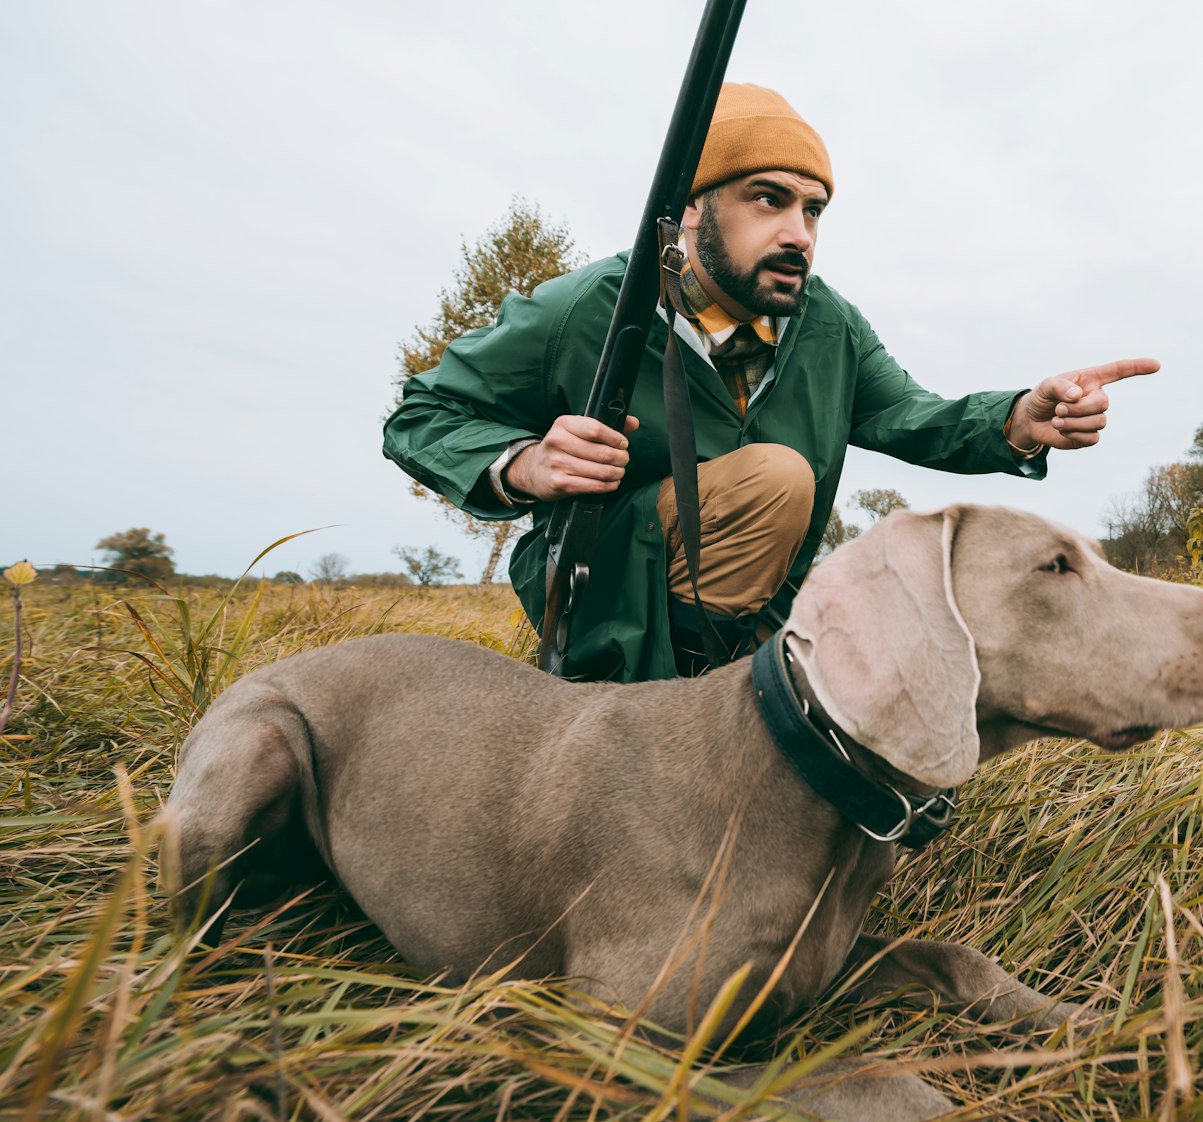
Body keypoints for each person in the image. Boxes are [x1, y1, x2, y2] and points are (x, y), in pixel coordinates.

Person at [385, 83, 1156, 681]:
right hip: (605, 598)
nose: (798, 232)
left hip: (764, 609)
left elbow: (911, 414)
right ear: (690, 209)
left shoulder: (831, 324)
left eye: (813, 209)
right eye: (768, 199)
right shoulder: (588, 308)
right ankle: (671, 709)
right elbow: (420, 415)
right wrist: (524, 463)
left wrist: (1019, 419)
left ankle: (745, 699)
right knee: (777, 479)